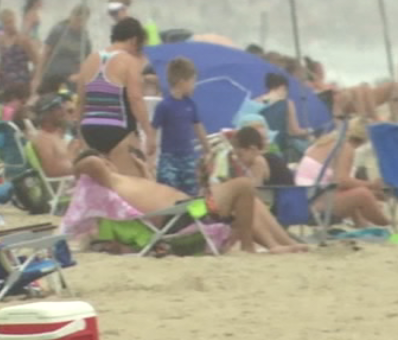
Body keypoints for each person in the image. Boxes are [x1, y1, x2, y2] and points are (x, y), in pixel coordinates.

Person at [74, 150, 307, 254]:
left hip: (188, 209)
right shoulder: (107, 182)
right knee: (243, 186)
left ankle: (283, 243)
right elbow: (90, 164)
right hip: (182, 218)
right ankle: (250, 247)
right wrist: (85, 166)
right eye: (104, 161)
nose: (108, 163)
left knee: (249, 201)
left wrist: (144, 170)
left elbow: (151, 193)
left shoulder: (122, 181)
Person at [76, 18, 153, 177]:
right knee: (130, 185)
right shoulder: (128, 61)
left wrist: (79, 133)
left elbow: (80, 102)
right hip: (118, 129)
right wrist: (149, 133)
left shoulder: (90, 59)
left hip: (90, 129)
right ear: (134, 40)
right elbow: (135, 99)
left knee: (99, 186)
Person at [292, 123, 390, 228]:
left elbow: (338, 183)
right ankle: (390, 226)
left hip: (303, 199)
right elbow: (341, 181)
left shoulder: (324, 143)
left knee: (360, 193)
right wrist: (372, 185)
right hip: (313, 204)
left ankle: (363, 224)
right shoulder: (345, 147)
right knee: (363, 194)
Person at [152, 57, 212, 195]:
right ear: (182, 82)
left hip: (188, 158)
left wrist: (208, 149)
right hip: (169, 158)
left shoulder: (190, 105)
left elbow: (199, 128)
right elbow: (153, 129)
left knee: (191, 193)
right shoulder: (164, 106)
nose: (195, 85)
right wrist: (151, 155)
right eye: (193, 81)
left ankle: (193, 216)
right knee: (167, 191)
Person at [35, 5, 93, 90]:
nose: (79, 23)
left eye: (82, 21)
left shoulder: (85, 39)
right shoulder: (59, 30)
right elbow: (45, 54)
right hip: (52, 77)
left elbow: (85, 63)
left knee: (66, 98)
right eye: (77, 19)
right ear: (71, 16)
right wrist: (37, 78)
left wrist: (79, 76)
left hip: (70, 81)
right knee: (46, 99)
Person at [30, 93, 83, 180]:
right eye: (58, 108)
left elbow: (65, 162)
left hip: (69, 181)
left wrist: (72, 151)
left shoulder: (55, 135)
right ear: (47, 114)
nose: (63, 112)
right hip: (62, 186)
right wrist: (81, 168)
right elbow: (51, 172)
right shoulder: (42, 139)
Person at [0, 8, 39, 100]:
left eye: (11, 22)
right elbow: (2, 61)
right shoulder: (0, 40)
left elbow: (38, 62)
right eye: (6, 23)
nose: (9, 25)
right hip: (3, 83)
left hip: (20, 84)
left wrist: (31, 78)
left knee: (10, 112)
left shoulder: (23, 40)